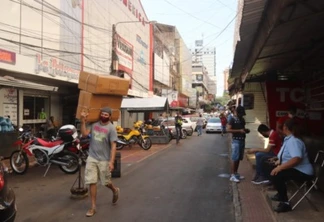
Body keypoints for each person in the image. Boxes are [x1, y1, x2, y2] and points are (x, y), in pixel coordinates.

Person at [80, 107, 120, 217]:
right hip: (92, 157)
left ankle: (114, 189)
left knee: (106, 182)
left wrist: (111, 162)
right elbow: (84, 134)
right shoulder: (94, 124)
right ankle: (93, 207)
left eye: (106, 115)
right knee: (92, 181)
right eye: (102, 114)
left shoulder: (111, 128)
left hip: (104, 159)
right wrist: (83, 121)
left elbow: (113, 146)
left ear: (110, 117)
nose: (103, 116)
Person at [270, 118, 313, 213]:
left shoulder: (294, 141)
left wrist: (280, 167)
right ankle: (280, 194)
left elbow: (296, 158)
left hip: (303, 172)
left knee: (277, 175)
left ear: (285, 127)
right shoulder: (289, 139)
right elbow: (288, 155)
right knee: (273, 168)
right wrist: (277, 160)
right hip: (296, 169)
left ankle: (285, 204)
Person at [227, 105, 249, 183]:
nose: (242, 115)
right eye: (241, 113)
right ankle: (232, 175)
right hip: (236, 141)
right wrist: (239, 131)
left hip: (242, 140)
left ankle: (236, 173)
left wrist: (245, 130)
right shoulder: (232, 119)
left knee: (239, 158)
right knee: (235, 158)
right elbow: (228, 130)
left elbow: (242, 128)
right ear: (236, 112)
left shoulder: (242, 119)